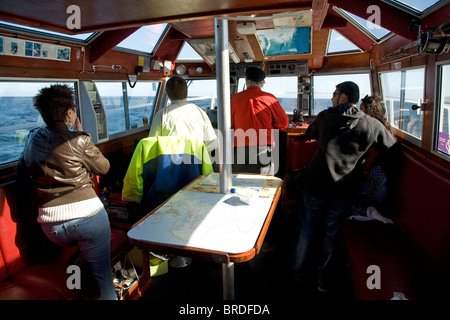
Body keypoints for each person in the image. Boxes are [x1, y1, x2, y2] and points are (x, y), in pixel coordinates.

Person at [290, 82, 397, 292]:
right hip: (344, 189)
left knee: (305, 229)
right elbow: (393, 149)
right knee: (330, 233)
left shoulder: (324, 117)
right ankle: (321, 280)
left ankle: (296, 274)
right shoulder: (371, 124)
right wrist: (372, 168)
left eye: (334, 94)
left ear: (344, 96)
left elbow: (308, 134)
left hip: (314, 185)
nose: (331, 98)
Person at [17, 84, 117, 300]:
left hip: (51, 228)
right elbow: (104, 167)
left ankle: (81, 272)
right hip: (88, 221)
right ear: (70, 113)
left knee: (84, 255)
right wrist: (83, 137)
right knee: (104, 280)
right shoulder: (79, 140)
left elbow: (22, 173)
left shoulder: (31, 139)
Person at [231, 66, 289, 175]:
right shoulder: (269, 98)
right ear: (262, 82)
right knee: (264, 184)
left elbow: (229, 124)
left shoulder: (235, 98)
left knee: (239, 182)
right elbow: (284, 123)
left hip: (240, 147)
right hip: (263, 147)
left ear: (246, 80)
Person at [148, 75, 217, 150]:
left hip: (170, 160)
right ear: (187, 91)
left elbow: (152, 143)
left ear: (167, 93)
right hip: (195, 160)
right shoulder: (200, 112)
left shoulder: (162, 115)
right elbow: (212, 141)